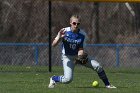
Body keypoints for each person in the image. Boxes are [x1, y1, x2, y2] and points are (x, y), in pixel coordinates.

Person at [48, 14, 116, 89]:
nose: (76, 25)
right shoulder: (64, 31)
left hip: (77, 56)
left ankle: (108, 85)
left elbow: (80, 48)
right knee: (68, 79)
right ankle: (54, 78)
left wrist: (80, 56)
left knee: (98, 66)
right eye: (74, 23)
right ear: (70, 22)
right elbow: (53, 45)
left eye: (78, 24)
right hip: (67, 57)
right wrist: (58, 37)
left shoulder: (82, 34)